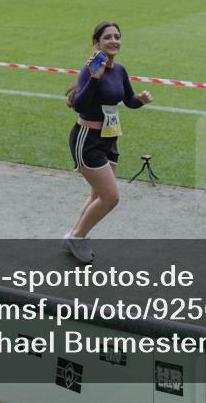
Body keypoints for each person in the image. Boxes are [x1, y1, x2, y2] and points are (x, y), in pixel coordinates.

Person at [65, 21, 151, 263]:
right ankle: (77, 237)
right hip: (87, 140)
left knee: (98, 196)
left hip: (109, 139)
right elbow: (79, 106)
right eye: (108, 37)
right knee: (111, 197)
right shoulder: (89, 70)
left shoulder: (120, 70)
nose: (114, 41)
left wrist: (141, 99)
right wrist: (95, 78)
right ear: (97, 43)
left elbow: (128, 100)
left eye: (117, 36)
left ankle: (74, 235)